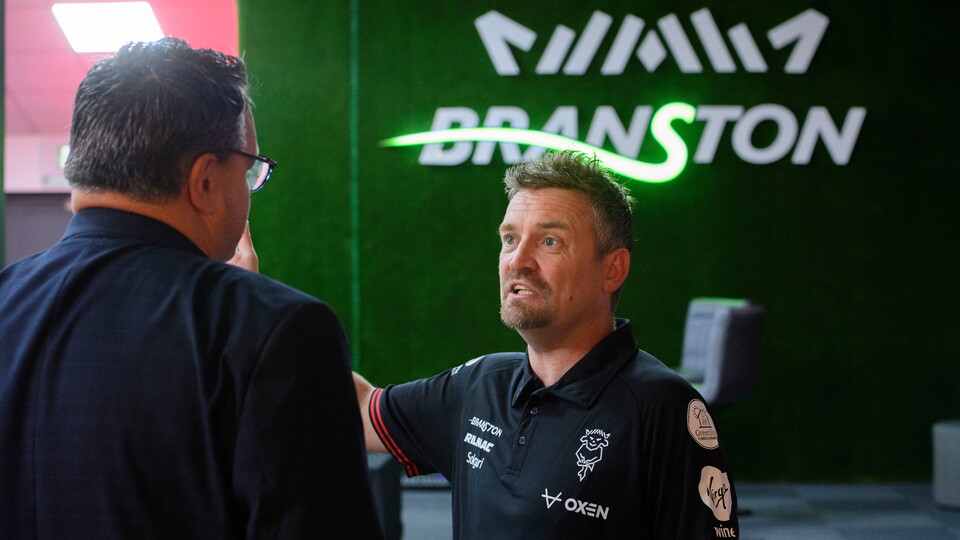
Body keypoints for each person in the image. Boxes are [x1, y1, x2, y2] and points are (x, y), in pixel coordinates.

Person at [0, 38, 383, 539]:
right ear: (204, 180)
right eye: (249, 172)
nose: (249, 192)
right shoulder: (278, 331)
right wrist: (246, 315)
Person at [354, 150, 739, 539]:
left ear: (612, 269)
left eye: (550, 241)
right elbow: (360, 410)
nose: (517, 261)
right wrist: (292, 319)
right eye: (510, 238)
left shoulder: (662, 406)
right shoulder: (479, 384)